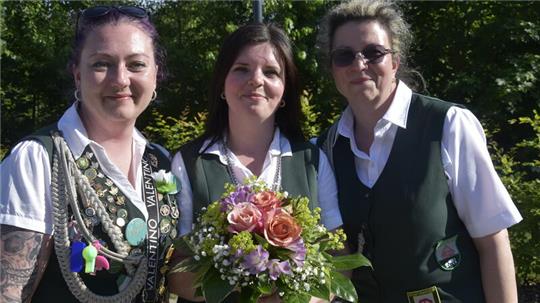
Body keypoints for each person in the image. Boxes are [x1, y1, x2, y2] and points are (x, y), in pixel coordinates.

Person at [315, 1, 523, 302]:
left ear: (395, 61)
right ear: (333, 69)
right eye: (344, 56)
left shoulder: (448, 125)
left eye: (373, 52)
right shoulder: (326, 149)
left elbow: (493, 242)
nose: (359, 65)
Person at [0, 6, 178, 302]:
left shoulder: (162, 161)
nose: (120, 79)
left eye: (136, 65)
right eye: (101, 64)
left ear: (155, 76)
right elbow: (8, 293)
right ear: (78, 75)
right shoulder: (37, 159)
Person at [169, 23, 342, 302]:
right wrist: (244, 283)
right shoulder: (189, 163)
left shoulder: (312, 161)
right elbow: (175, 271)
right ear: (222, 85)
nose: (256, 80)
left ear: (285, 91)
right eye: (241, 69)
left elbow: (338, 260)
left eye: (271, 72)